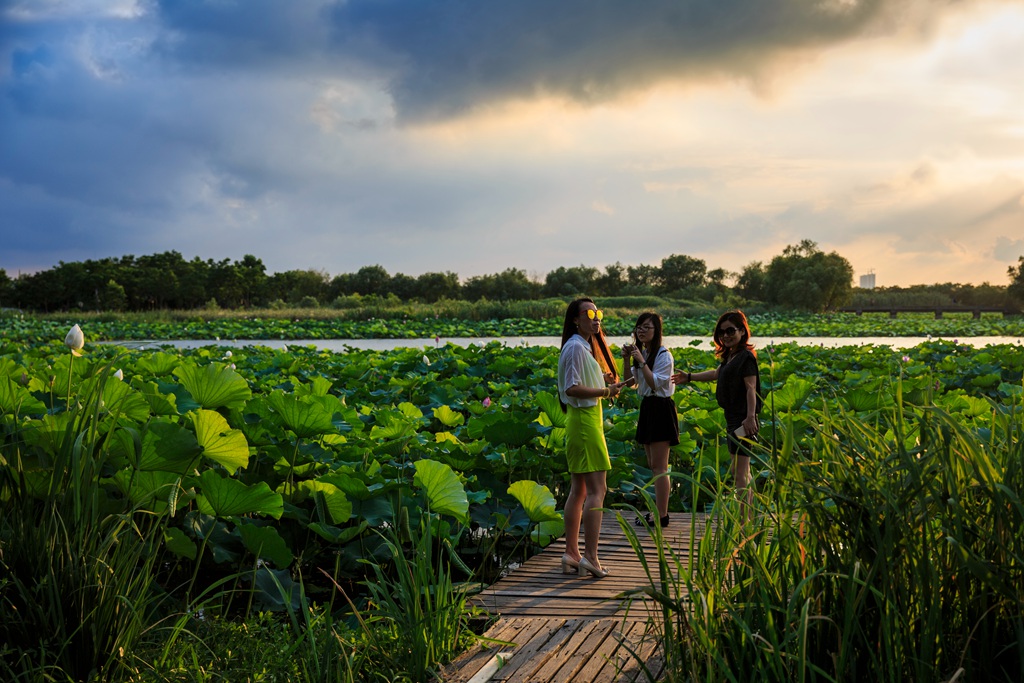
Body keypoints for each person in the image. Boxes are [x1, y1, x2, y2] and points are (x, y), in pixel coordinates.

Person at [557, 297, 624, 579]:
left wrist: (604, 382)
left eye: (599, 313)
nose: (597, 318)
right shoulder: (575, 347)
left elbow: (580, 382)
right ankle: (592, 557)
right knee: (598, 490)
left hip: (583, 422)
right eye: (590, 313)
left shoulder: (582, 346)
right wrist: (606, 392)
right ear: (575, 319)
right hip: (584, 423)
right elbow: (571, 388)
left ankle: (572, 554)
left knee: (579, 490)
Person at [673, 310, 761, 519]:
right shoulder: (731, 356)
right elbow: (716, 374)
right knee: (740, 472)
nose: (726, 336)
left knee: (740, 474)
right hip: (732, 418)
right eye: (722, 333)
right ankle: (750, 516)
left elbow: (751, 388)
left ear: (742, 330)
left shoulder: (746, 357)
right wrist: (690, 377)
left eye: (731, 330)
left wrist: (750, 417)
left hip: (742, 419)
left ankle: (743, 522)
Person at [622, 312, 678, 529]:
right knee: (653, 465)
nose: (641, 331)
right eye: (639, 327)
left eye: (647, 327)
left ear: (657, 332)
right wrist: (628, 359)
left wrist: (641, 361)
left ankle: (662, 515)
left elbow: (655, 383)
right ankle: (657, 511)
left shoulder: (664, 355)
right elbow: (630, 382)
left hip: (661, 408)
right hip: (647, 407)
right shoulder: (643, 353)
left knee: (660, 468)